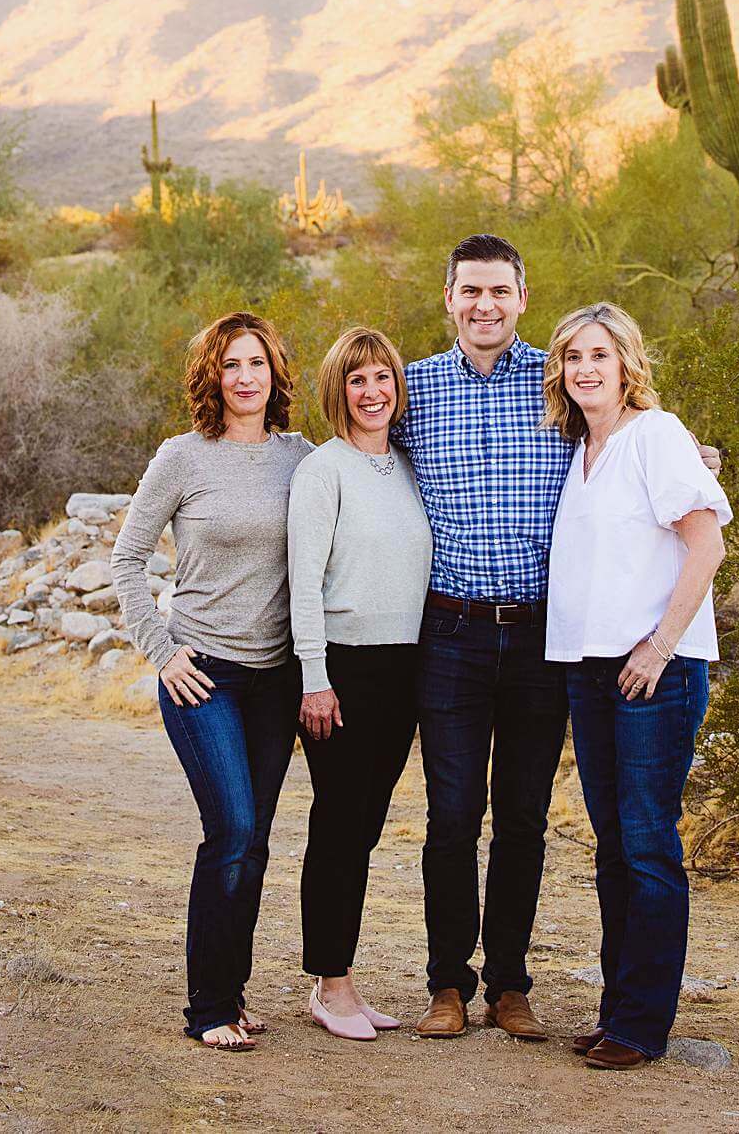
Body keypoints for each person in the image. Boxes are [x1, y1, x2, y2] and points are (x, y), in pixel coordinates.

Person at [395, 234, 720, 1042]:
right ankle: (447, 985)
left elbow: (650, 452)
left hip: (544, 639)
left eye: (499, 291)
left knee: (527, 819)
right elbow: (357, 447)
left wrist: (698, 460)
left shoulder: (558, 386)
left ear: (521, 297)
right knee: (450, 815)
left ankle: (510, 985)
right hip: (454, 633)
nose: (484, 305)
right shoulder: (416, 391)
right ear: (447, 297)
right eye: (469, 290)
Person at [111, 310, 312, 1052]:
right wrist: (161, 651)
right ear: (212, 377)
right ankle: (206, 1008)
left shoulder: (302, 458)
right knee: (228, 830)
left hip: (277, 678)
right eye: (231, 365)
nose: (245, 377)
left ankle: (233, 994)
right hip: (202, 675)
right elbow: (127, 560)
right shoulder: (182, 458)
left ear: (276, 373)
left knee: (254, 841)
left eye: (257, 363)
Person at [543, 301, 730, 1069]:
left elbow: (707, 544)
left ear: (628, 364)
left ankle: (643, 1025)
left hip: (656, 670)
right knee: (614, 847)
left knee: (650, 845)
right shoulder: (581, 450)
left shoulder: (655, 434)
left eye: (599, 354)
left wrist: (659, 646)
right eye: (573, 356)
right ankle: (618, 1009)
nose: (585, 368)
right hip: (591, 670)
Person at [287, 327, 432, 1040]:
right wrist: (314, 679)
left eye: (383, 378)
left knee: (366, 827)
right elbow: (304, 585)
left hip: (403, 669)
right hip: (340, 670)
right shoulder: (323, 471)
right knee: (340, 824)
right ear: (336, 390)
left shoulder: (408, 465)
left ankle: (342, 977)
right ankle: (330, 985)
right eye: (357, 379)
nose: (372, 392)